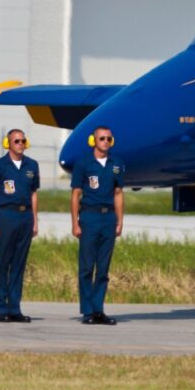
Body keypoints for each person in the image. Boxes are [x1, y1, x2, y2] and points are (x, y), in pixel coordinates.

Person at [70, 126, 124, 325]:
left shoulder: (116, 164)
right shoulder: (83, 164)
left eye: (109, 139)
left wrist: (120, 221)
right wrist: (75, 222)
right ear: (94, 141)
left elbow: (118, 193)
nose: (106, 142)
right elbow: (75, 194)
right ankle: (87, 310)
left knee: (103, 268)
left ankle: (98, 309)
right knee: (86, 266)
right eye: (102, 138)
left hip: (108, 218)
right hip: (89, 217)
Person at [0, 128, 40, 323]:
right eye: (16, 141)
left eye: (23, 141)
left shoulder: (32, 165)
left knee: (19, 264)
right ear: (8, 143)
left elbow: (34, 193)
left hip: (25, 217)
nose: (20, 144)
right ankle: (2, 309)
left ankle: (15, 308)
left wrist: (35, 220)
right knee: (3, 263)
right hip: (6, 215)